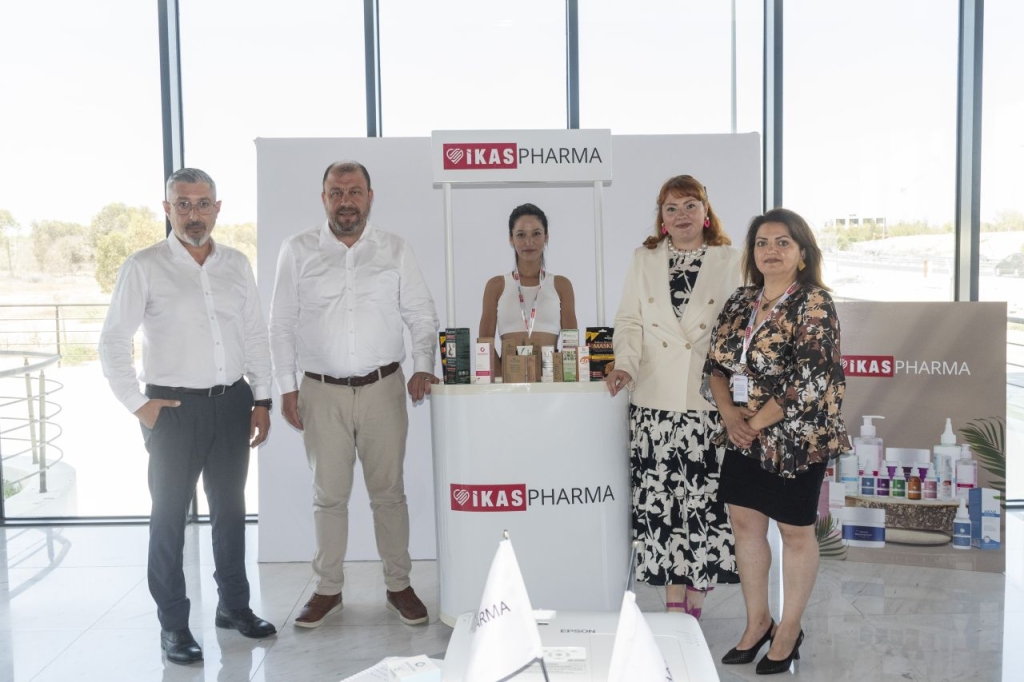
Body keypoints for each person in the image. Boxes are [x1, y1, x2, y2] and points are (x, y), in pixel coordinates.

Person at [98, 168, 277, 665]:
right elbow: (113, 340)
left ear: (217, 208)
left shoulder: (236, 264)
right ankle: (174, 625)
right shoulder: (144, 265)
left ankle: (234, 607)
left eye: (202, 204)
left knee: (230, 512)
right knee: (169, 519)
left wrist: (261, 399)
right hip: (173, 409)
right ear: (167, 209)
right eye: (183, 204)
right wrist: (137, 403)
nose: (193, 214)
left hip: (232, 403)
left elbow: (255, 335)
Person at [269, 160, 440, 629]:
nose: (346, 201)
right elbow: (281, 322)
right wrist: (286, 387)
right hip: (320, 392)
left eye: (355, 191)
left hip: (384, 388)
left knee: (389, 494)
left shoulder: (395, 248)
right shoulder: (298, 249)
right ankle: (328, 589)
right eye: (336, 192)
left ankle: (399, 585)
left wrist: (422, 366)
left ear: (370, 196)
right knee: (328, 497)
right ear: (324, 198)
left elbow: (421, 313)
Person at [701, 208, 850, 675]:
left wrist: (754, 423)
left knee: (794, 531)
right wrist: (731, 416)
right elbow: (715, 367)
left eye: (783, 242)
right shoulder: (741, 300)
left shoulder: (814, 303)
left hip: (796, 438)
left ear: (802, 253)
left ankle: (788, 630)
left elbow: (810, 380)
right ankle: (757, 623)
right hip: (742, 432)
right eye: (762, 243)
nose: (771, 250)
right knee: (745, 524)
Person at [604, 175, 743, 620]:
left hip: (709, 401)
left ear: (706, 211)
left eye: (689, 205)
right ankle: (672, 601)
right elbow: (629, 320)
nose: (681, 215)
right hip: (654, 401)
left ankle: (696, 599)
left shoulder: (732, 260)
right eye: (671, 208)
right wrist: (625, 363)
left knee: (705, 502)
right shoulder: (643, 259)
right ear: (661, 218)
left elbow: (741, 328)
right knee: (660, 501)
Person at [479, 203, 576, 349]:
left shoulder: (561, 285)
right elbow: (485, 347)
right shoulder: (496, 286)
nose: (529, 242)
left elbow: (571, 347)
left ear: (546, 236)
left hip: (550, 365)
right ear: (511, 238)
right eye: (521, 235)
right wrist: (502, 366)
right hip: (506, 365)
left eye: (536, 233)